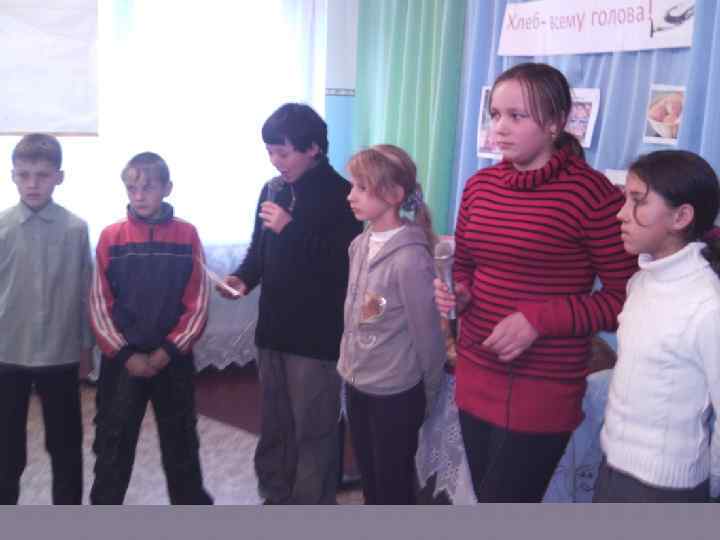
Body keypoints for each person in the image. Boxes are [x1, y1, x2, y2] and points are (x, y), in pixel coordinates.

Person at [433, 63, 637, 502]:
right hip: (476, 372)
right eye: (495, 114)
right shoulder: (479, 187)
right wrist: (459, 293)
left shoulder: (592, 194)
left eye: (517, 116)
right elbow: (466, 265)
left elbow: (627, 300)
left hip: (543, 385)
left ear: (555, 122)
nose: (500, 127)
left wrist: (539, 319)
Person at [218, 103, 362, 504]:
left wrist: (291, 228)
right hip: (273, 329)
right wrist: (241, 279)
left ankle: (311, 505)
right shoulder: (272, 189)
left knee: (314, 429)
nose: (275, 161)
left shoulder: (343, 195)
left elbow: (344, 264)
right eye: (270, 152)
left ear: (313, 148)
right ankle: (274, 494)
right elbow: (260, 250)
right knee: (275, 423)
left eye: (283, 152)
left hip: (316, 336)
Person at [594, 150, 720, 503]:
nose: (621, 214)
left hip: (666, 488)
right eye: (625, 199)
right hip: (613, 466)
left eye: (637, 201)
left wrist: (713, 486)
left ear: (681, 216)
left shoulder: (708, 305)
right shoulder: (641, 282)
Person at [89, 152, 212, 504]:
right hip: (122, 362)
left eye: (148, 187)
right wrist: (124, 354)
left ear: (167, 188)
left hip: (172, 360)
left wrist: (169, 350)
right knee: (113, 442)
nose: (139, 196)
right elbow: (99, 302)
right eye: (132, 188)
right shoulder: (111, 237)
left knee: (181, 442)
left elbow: (198, 300)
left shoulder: (187, 235)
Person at [337, 144, 446, 504]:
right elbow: (357, 317)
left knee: (393, 486)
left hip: (396, 394)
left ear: (394, 194)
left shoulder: (410, 258)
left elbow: (428, 335)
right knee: (371, 479)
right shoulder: (359, 244)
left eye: (361, 187)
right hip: (358, 383)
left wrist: (430, 391)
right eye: (352, 186)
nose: (350, 195)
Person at [0, 133, 92, 505]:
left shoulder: (76, 229)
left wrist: (85, 347)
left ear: (59, 177)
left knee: (66, 445)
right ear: (12, 176)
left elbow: (85, 292)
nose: (32, 184)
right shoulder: (2, 227)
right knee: (6, 449)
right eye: (24, 175)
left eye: (42, 175)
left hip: (60, 354)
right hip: (7, 352)